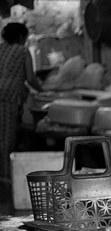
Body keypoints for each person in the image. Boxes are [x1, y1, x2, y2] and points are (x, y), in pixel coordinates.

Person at [0, 22, 42, 183]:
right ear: (20, 37)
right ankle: (4, 175)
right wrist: (42, 89)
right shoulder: (23, 51)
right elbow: (30, 78)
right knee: (6, 137)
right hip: (8, 96)